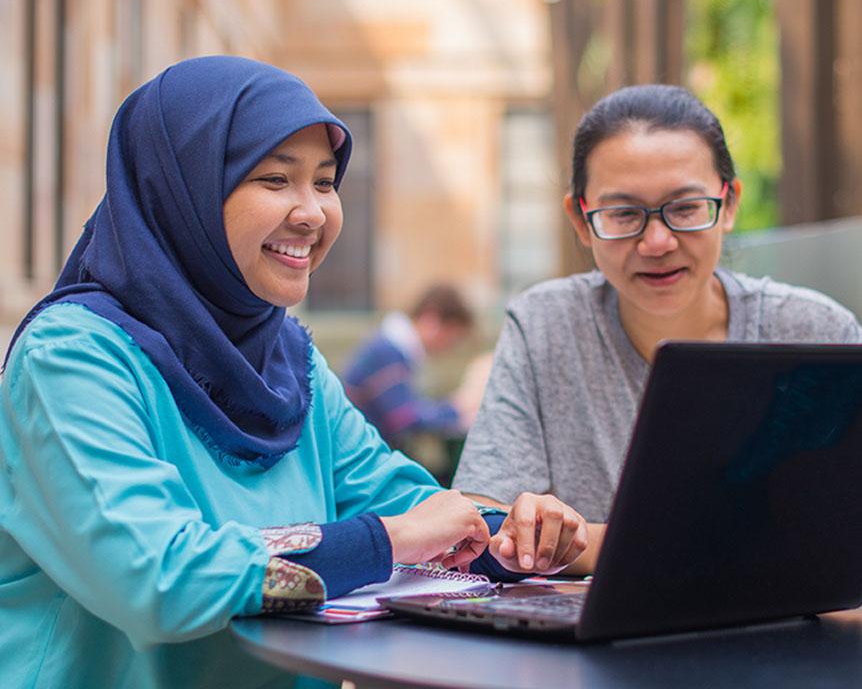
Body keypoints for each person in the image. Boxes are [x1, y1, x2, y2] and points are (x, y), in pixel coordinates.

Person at [0, 56, 587, 689]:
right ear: (183, 188)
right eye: (275, 179)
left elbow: (405, 501)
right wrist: (385, 541)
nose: (312, 213)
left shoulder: (289, 359)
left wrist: (512, 538)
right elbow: (157, 576)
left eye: (326, 183)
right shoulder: (73, 356)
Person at [452, 84, 862, 575]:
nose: (657, 241)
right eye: (624, 213)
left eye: (685, 208)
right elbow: (478, 531)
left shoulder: (815, 331)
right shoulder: (546, 324)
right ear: (581, 221)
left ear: (728, 204)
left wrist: (581, 543)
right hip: (598, 645)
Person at [342, 284, 480, 447]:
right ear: (431, 320)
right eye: (451, 338)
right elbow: (404, 417)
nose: (449, 347)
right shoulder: (388, 352)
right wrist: (456, 408)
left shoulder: (394, 348)